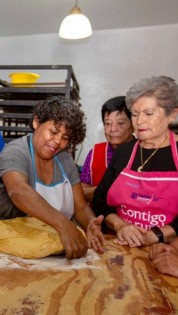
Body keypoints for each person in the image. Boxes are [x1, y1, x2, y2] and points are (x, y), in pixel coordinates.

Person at [0, 97, 104, 259]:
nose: (57, 142)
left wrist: (91, 223)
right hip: (19, 255)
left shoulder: (65, 159)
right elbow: (18, 191)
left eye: (65, 138)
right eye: (54, 132)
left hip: (59, 252)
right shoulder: (16, 152)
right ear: (36, 122)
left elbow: (80, 207)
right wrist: (64, 225)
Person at [88, 76, 178, 250]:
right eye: (135, 114)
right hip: (121, 245)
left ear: (172, 115)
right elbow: (100, 201)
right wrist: (120, 225)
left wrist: (156, 235)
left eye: (149, 113)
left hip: (168, 250)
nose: (139, 121)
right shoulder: (125, 151)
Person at [80, 96, 133, 203]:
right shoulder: (95, 153)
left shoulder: (144, 151)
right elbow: (81, 193)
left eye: (121, 123)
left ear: (133, 124)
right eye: (108, 123)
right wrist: (107, 189)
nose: (113, 129)